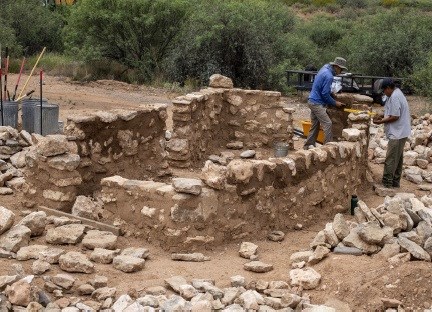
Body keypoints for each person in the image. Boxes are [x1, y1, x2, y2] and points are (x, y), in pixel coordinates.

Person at [373, 78, 411, 188]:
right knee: (398, 158)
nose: (384, 93)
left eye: (384, 90)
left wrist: (381, 121)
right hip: (401, 131)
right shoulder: (396, 93)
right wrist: (383, 115)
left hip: (397, 132)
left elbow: (395, 116)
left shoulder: (394, 96)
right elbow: (391, 112)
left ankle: (387, 183)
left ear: (389, 88)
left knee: (391, 158)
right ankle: (395, 182)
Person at [303, 57, 347, 149]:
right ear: (336, 67)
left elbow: (323, 89)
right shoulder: (329, 76)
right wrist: (335, 103)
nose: (341, 72)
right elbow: (325, 94)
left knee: (315, 125)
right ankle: (328, 148)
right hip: (316, 103)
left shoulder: (325, 68)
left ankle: (307, 146)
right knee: (328, 123)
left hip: (312, 100)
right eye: (341, 69)